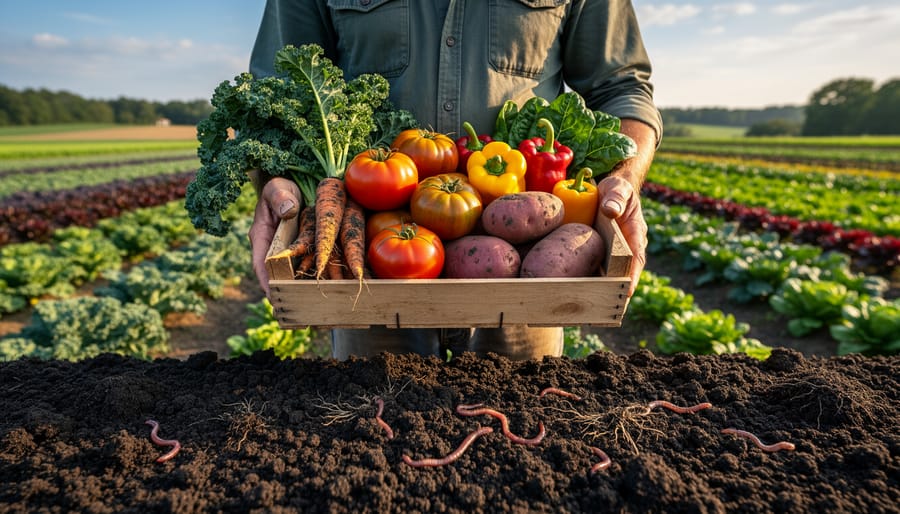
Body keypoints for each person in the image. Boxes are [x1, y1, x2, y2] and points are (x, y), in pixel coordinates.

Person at [246, 1, 662, 361]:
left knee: (518, 435)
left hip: (523, 285)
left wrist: (624, 177)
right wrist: (273, 179)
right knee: (371, 429)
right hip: (368, 276)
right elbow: (274, 94)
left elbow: (622, 88)